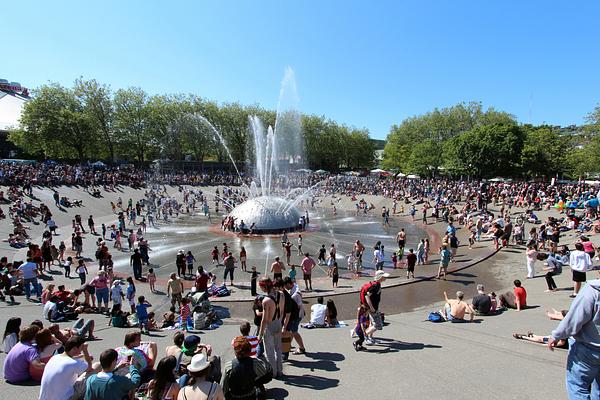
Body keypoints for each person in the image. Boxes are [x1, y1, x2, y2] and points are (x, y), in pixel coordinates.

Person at [548, 277, 600, 399]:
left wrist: (556, 335)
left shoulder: (592, 291)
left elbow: (574, 320)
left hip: (588, 349)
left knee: (577, 386)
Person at [39, 335, 93, 400]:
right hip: (65, 398)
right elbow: (90, 368)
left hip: (44, 398)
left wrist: (82, 356)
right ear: (75, 348)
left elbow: (69, 358)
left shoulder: (55, 357)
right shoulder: (74, 363)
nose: (81, 350)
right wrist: (85, 351)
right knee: (97, 366)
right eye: (81, 348)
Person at [257, 277, 284, 378]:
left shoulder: (266, 301)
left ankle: (273, 372)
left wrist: (260, 335)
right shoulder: (281, 294)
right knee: (278, 348)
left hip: (269, 325)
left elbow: (264, 320)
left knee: (270, 350)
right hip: (278, 322)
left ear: (264, 287)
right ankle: (280, 370)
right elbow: (281, 311)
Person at [361, 270, 389, 345]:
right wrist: (372, 308)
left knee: (372, 323)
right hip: (372, 308)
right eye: (384, 276)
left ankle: (370, 338)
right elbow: (367, 296)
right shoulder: (376, 286)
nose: (386, 278)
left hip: (373, 307)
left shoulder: (377, 284)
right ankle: (364, 335)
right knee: (378, 325)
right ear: (380, 277)